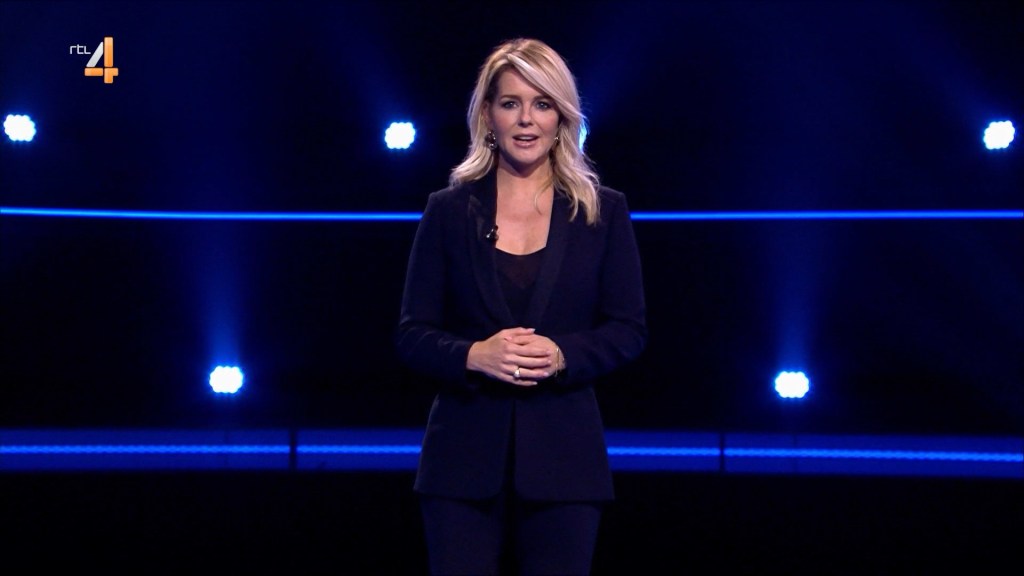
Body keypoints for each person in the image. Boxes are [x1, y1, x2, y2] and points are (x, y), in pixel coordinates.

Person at [396, 38, 647, 575]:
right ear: (488, 115)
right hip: (461, 465)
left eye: (543, 103)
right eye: (511, 103)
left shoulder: (602, 212)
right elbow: (412, 332)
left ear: (562, 117)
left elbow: (628, 329)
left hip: (566, 465)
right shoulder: (448, 211)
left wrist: (562, 355)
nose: (526, 119)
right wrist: (473, 356)